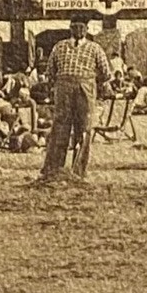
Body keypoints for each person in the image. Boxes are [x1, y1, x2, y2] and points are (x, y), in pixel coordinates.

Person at [38, 14, 111, 184]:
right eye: (75, 27)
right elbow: (50, 71)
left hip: (85, 88)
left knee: (84, 128)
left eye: (82, 28)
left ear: (86, 30)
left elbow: (106, 73)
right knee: (60, 127)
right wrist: (55, 86)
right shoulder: (60, 47)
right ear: (70, 28)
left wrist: (91, 83)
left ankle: (78, 171)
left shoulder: (95, 48)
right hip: (63, 88)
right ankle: (53, 169)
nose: (78, 30)